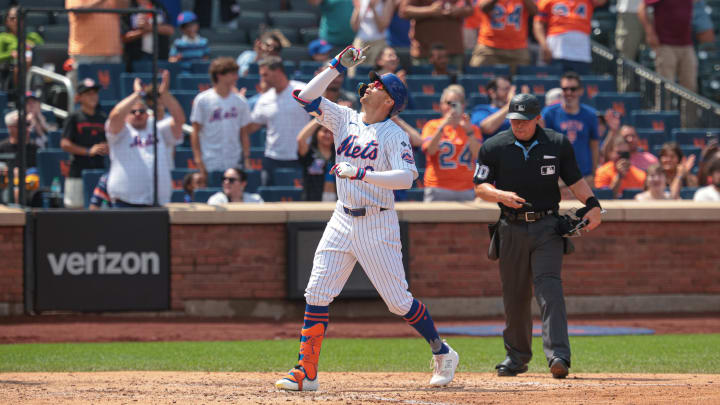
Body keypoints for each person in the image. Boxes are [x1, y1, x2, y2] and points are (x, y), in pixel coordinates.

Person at [276, 45, 459, 391]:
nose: (371, 85)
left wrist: (361, 174)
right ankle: (306, 372)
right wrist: (335, 66)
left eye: (379, 85)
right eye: (372, 82)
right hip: (342, 217)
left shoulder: (394, 134)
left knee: (398, 302)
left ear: (390, 100)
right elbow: (303, 96)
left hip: (377, 221)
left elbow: (407, 177)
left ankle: (442, 351)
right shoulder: (345, 117)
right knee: (317, 290)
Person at [473, 93, 603, 379]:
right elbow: (480, 186)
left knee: (550, 290)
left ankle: (559, 356)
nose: (518, 125)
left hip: (547, 226)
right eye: (514, 120)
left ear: (537, 118)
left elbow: (575, 180)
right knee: (515, 294)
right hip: (510, 227)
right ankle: (516, 357)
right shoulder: (494, 146)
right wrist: (500, 195)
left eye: (524, 120)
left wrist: (593, 205)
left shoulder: (556, 143)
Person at [105, 71, 185, 207]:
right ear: (127, 115)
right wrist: (137, 95)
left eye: (142, 111)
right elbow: (115, 115)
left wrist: (165, 96)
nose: (137, 114)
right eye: (133, 111)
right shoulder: (120, 130)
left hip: (158, 202)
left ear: (148, 114)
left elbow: (179, 119)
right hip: (126, 202)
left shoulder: (157, 128)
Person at [245, 56, 311, 186]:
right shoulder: (264, 99)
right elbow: (251, 127)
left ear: (278, 71)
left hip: (301, 156)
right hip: (272, 158)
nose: (262, 79)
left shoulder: (302, 91)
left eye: (265, 75)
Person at [190, 58, 252, 180]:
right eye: (232, 74)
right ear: (220, 75)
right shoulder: (202, 100)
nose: (236, 77)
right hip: (210, 161)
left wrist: (247, 159)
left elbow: (244, 133)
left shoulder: (240, 102)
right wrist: (198, 159)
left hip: (234, 161)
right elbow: (195, 132)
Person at [421, 84, 481, 201]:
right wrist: (444, 126)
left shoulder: (472, 128)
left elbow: (478, 155)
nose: (451, 107)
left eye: (456, 103)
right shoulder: (432, 126)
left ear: (463, 106)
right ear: (441, 106)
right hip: (437, 187)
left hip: (466, 188)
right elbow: (430, 150)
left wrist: (469, 132)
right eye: (448, 103)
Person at [60, 78, 108, 209]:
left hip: (99, 172)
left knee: (100, 214)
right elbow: (64, 144)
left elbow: (109, 142)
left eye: (95, 93)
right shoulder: (74, 117)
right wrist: (88, 151)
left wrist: (107, 147)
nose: (93, 97)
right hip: (78, 172)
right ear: (79, 97)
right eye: (88, 94)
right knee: (76, 212)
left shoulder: (103, 118)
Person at [541, 71, 599, 180]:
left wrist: (594, 173)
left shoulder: (590, 115)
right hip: (557, 176)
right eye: (565, 89)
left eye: (573, 89)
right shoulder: (549, 113)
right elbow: (544, 145)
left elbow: (594, 145)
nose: (569, 92)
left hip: (584, 176)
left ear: (581, 91)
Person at [534, 0, 607, 75]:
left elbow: (601, 1)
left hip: (581, 53)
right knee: (556, 84)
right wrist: (544, 45)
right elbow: (538, 23)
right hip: (556, 50)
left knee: (580, 85)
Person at [638, 0, 697, 92]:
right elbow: (641, 9)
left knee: (690, 88)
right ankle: (664, 107)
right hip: (665, 44)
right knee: (666, 87)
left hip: (687, 44)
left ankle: (688, 107)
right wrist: (650, 32)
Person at [399, 0, 473, 71]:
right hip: (425, 51)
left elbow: (470, 9)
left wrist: (458, 10)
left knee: (453, 83)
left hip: (453, 50)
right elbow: (404, 11)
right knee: (424, 82)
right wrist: (429, 10)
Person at [468, 0, 537, 75]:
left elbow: (534, 11)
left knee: (523, 79)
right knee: (475, 75)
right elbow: (483, 8)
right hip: (489, 46)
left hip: (517, 47)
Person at [66, 0, 126, 85]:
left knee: (112, 94)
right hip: (86, 53)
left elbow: (124, 8)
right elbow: (78, 12)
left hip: (112, 51)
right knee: (84, 93)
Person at [0, 6, 44, 95]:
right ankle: (22, 96)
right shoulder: (3, 38)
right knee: (21, 64)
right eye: (12, 18)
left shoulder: (33, 36)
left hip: (34, 67)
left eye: (19, 17)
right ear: (7, 21)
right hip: (11, 70)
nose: (16, 20)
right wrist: (10, 54)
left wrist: (32, 48)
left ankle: (36, 94)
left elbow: (43, 51)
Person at [350, 0, 395, 75]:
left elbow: (382, 27)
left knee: (378, 73)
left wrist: (373, 8)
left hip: (379, 42)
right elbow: (354, 27)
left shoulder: (387, 2)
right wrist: (358, 9)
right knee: (354, 71)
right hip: (361, 42)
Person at [297, 122, 337, 201]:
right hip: (313, 199)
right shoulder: (309, 153)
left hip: (337, 200)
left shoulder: (340, 154)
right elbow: (301, 139)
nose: (328, 135)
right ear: (317, 133)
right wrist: (319, 119)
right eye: (325, 131)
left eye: (331, 133)